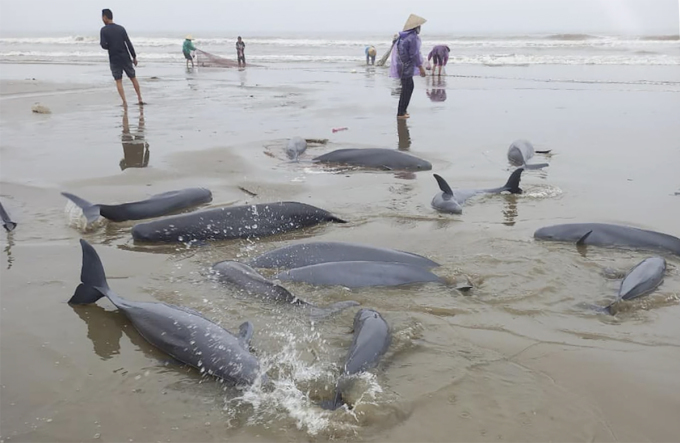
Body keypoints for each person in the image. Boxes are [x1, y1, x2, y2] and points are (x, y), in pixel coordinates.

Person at [100, 8, 143, 106]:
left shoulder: (103, 30)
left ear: (105, 17)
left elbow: (103, 45)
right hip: (125, 56)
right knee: (133, 78)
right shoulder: (121, 28)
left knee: (118, 80)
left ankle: (124, 102)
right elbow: (128, 43)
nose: (102, 20)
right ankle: (140, 98)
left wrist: (110, 46)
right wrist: (134, 56)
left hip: (114, 58)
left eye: (102, 17)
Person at [389, 14, 427, 119]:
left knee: (406, 87)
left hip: (401, 65)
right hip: (406, 67)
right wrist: (420, 67)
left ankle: (402, 111)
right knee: (407, 88)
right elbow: (414, 54)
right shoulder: (412, 37)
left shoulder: (403, 37)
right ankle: (401, 113)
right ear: (416, 27)